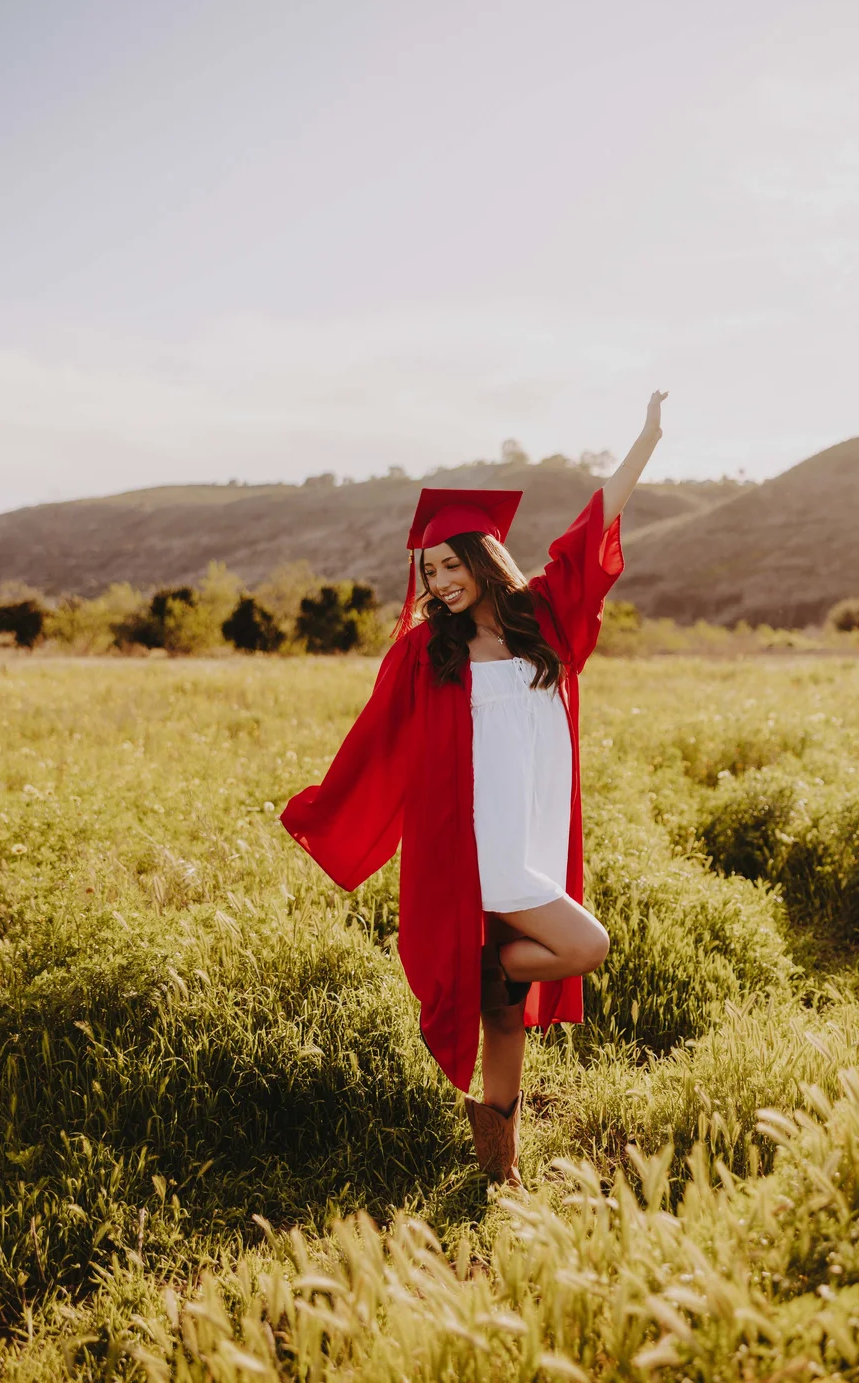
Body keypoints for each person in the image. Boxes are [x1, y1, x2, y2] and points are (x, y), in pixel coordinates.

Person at [281, 391, 668, 1189]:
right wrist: (326, 807)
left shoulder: (544, 621)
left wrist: (645, 441)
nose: (440, 581)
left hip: (532, 834)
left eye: (451, 564)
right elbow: (375, 736)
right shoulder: (430, 650)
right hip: (479, 844)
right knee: (584, 945)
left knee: (502, 1008)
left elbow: (591, 530)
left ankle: (501, 1170)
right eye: (429, 571)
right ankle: (493, 981)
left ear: (482, 557)